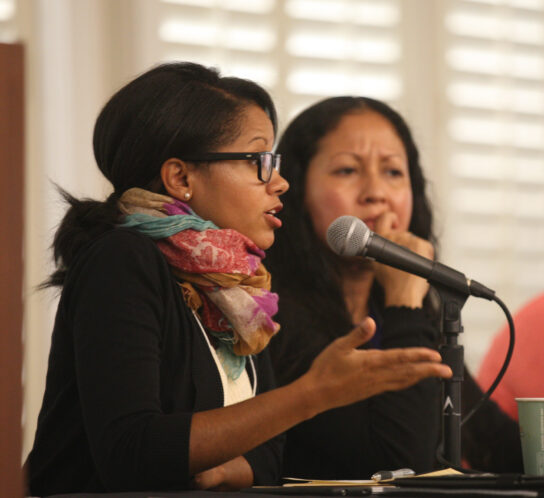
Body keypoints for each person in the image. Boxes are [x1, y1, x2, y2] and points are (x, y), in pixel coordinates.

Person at [25, 63, 452, 496]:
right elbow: (131, 450)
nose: (280, 183)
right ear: (182, 177)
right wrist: (311, 394)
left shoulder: (236, 284)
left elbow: (270, 452)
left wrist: (237, 467)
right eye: (259, 161)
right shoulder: (123, 260)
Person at [266, 95, 522, 478]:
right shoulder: (268, 312)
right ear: (297, 190)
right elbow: (399, 468)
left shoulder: (409, 309)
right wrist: (405, 299)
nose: (376, 192)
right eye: (348, 170)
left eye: (393, 172)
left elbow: (493, 442)